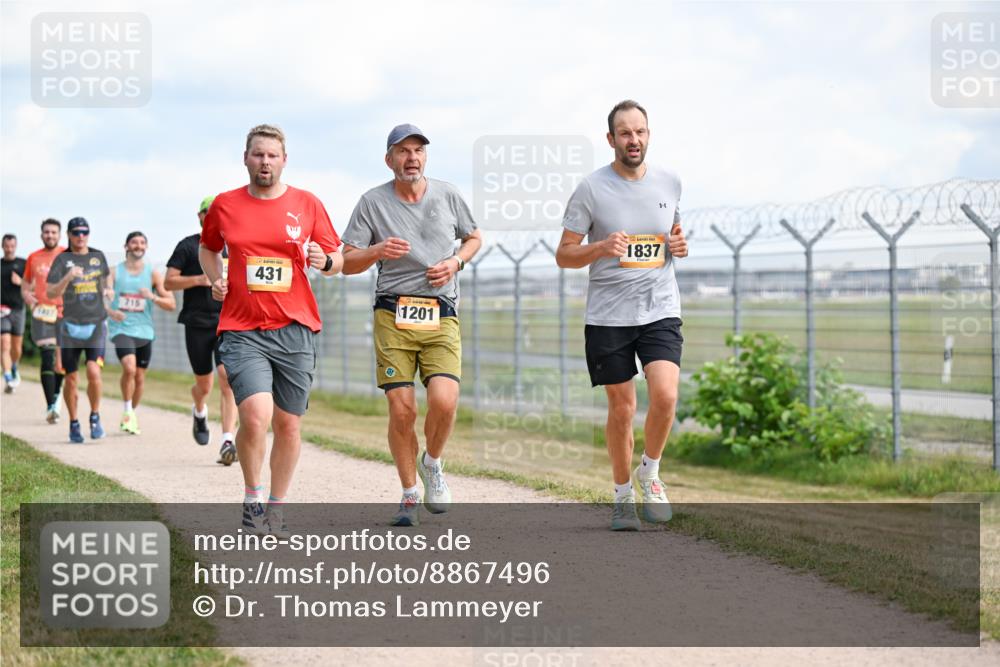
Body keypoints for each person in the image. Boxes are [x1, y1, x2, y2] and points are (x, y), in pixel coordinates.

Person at [199, 124, 343, 536]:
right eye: (258, 154)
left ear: (284, 160)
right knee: (256, 415)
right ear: (246, 158)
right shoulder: (225, 205)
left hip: (295, 327)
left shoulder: (307, 203)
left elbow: (338, 260)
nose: (265, 162)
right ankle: (252, 498)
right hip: (242, 327)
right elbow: (207, 248)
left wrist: (325, 260)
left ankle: (276, 508)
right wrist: (215, 278)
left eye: (273, 155)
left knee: (289, 424)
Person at [555, 100, 688, 531]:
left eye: (641, 132)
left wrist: (678, 247)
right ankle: (620, 496)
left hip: (660, 307)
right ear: (611, 140)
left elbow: (671, 236)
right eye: (625, 133)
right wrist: (600, 247)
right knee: (621, 409)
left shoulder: (670, 182)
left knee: (665, 396)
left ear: (649, 135)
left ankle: (649, 472)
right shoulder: (591, 189)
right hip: (609, 315)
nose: (634, 140)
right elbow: (564, 255)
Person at [342, 124, 482, 527]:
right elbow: (347, 262)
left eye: (418, 150)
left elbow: (473, 237)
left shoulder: (448, 194)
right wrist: (377, 250)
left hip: (440, 310)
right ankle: (408, 495)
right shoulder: (371, 203)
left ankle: (432, 462)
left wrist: (456, 262)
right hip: (393, 313)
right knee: (402, 410)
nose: (412, 158)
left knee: (445, 400)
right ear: (389, 159)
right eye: (403, 151)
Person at [165, 196, 240, 464]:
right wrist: (199, 279)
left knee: (227, 378)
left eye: (216, 213)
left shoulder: (234, 245)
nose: (211, 216)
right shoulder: (187, 246)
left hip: (227, 321)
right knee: (204, 384)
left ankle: (227, 440)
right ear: (199, 216)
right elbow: (168, 282)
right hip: (196, 322)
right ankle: (199, 410)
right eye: (206, 212)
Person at [46, 217, 112, 443]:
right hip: (69, 327)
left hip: (96, 324)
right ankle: (74, 423)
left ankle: (95, 416)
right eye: (76, 232)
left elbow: (106, 279)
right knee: (71, 378)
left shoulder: (98, 256)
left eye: (85, 232)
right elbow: (52, 293)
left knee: (94, 371)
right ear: (69, 234)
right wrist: (67, 277)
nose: (81, 236)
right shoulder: (61, 260)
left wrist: (109, 291)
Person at [107, 231, 176, 435]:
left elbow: (171, 303)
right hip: (121, 328)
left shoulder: (153, 274)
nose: (138, 246)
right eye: (134, 242)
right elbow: (103, 298)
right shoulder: (114, 272)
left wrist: (152, 297)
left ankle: (131, 414)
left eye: (142, 242)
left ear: (146, 247)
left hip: (144, 330)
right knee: (129, 368)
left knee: (139, 377)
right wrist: (111, 309)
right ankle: (128, 410)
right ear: (126, 246)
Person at [21, 219, 67, 422]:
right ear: (41, 235)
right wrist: (27, 297)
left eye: (53, 232)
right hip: (42, 314)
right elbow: (25, 285)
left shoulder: (68, 255)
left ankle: (56, 396)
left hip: (65, 313)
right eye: (46, 232)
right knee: (47, 356)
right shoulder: (34, 257)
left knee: (61, 363)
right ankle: (51, 406)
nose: (50, 235)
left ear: (60, 235)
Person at [1, 234, 26, 393]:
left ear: (15, 246)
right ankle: (8, 377)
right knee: (4, 343)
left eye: (12, 246)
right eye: (6, 246)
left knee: (16, 348)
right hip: (2, 310)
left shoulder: (23, 264)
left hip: (18, 309)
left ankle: (14, 365)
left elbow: (33, 286)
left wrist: (21, 282)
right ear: (2, 246)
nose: (9, 249)